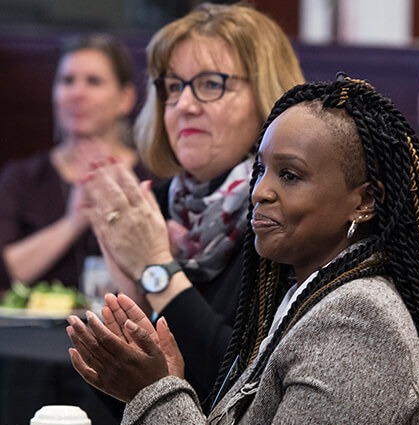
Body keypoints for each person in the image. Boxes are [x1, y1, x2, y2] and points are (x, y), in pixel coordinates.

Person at [66, 75, 419, 425]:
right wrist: (168, 386)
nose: (260, 191)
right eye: (262, 170)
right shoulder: (312, 296)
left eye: (289, 176)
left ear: (365, 199)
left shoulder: (357, 322)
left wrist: (156, 397)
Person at [80, 2, 304, 402]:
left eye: (211, 84)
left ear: (269, 97)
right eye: (174, 87)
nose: (184, 105)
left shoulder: (284, 212)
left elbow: (245, 389)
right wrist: (129, 302)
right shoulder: (155, 203)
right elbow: (130, 405)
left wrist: (156, 270)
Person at [0, 33, 142, 290]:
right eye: (67, 81)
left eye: (93, 82)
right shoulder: (22, 177)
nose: (77, 93)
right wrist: (73, 223)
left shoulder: (151, 177)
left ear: (125, 99)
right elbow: (6, 272)